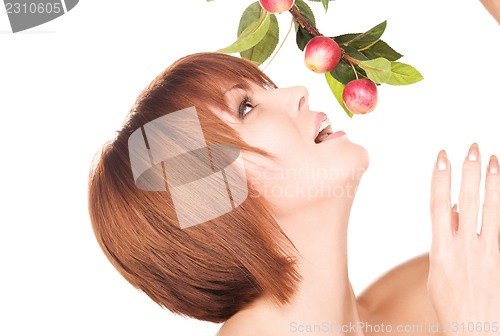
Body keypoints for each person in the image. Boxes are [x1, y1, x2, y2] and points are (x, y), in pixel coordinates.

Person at [88, 52, 499, 335]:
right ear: (207, 200)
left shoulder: (444, 283)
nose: (299, 91)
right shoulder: (464, 301)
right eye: (245, 107)